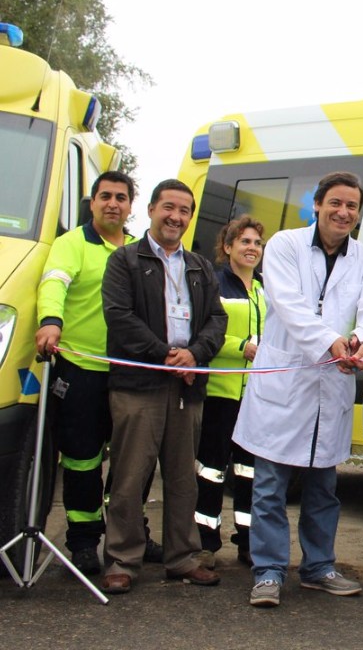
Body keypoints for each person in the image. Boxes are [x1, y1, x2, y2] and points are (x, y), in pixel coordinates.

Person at [233, 172, 363, 609]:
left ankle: (319, 568)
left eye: (352, 206)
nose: (344, 212)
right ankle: (268, 571)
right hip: (284, 379)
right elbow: (288, 302)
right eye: (335, 202)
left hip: (331, 383)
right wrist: (330, 341)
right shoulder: (284, 244)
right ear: (317, 204)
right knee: (269, 489)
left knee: (324, 489)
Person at [99, 179, 228, 595]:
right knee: (130, 477)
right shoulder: (125, 261)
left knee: (182, 478)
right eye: (168, 207)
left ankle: (183, 558)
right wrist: (165, 356)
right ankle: (122, 560)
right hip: (139, 384)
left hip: (187, 388)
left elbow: (216, 320)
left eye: (184, 210)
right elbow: (119, 316)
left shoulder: (200, 266)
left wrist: (194, 354)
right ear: (151, 210)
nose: (176, 216)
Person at [35, 171, 162, 574]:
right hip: (82, 369)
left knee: (134, 462)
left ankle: (129, 535)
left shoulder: (142, 250)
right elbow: (54, 282)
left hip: (130, 372)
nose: (113, 203)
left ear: (131, 207)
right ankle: (85, 542)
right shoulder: (72, 244)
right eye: (105, 196)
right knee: (82, 460)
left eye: (121, 197)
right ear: (92, 203)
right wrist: (51, 319)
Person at [194, 216, 266, 569]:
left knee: (250, 471)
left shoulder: (264, 289)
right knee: (211, 469)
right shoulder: (215, 284)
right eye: (244, 242)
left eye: (257, 243)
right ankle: (205, 542)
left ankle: (248, 542)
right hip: (220, 392)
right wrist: (241, 347)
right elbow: (203, 332)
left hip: (255, 397)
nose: (252, 248)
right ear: (227, 247)